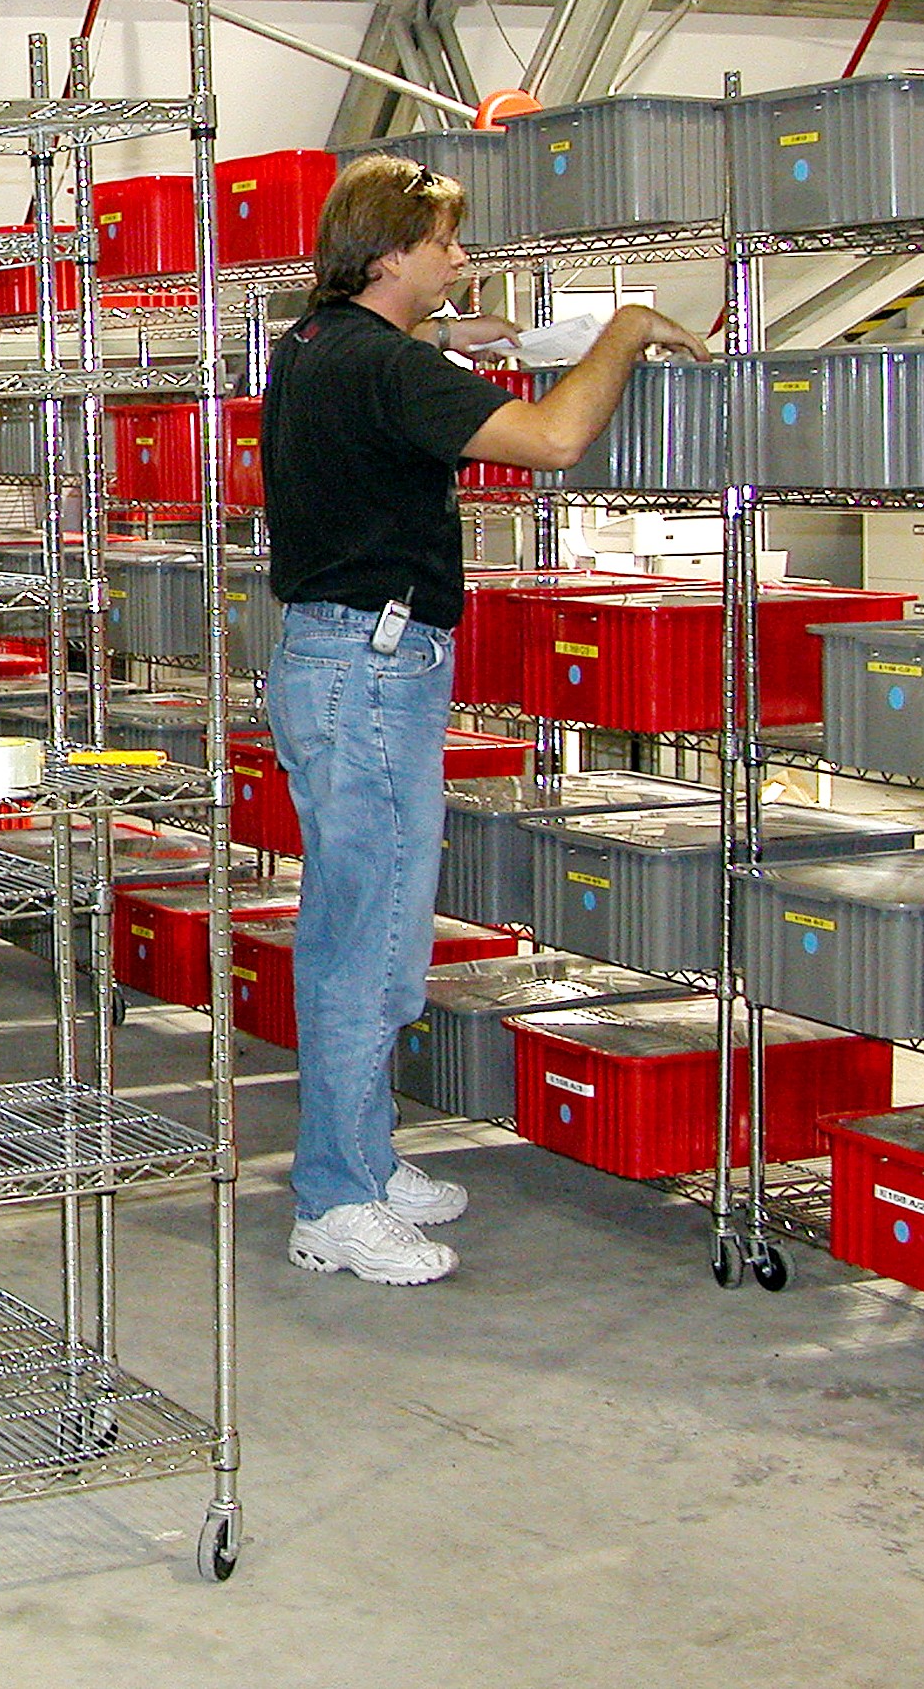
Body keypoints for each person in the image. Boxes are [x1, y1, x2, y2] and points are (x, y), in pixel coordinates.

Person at [258, 154, 709, 1284]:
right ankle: (335, 1201)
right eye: (447, 244)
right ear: (392, 252)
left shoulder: (315, 343)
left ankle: (359, 1151)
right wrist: (626, 332)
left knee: (370, 928)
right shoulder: (390, 371)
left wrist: (453, 333)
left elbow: (388, 366)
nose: (461, 259)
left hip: (339, 658)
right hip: (368, 671)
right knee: (366, 944)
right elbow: (554, 440)